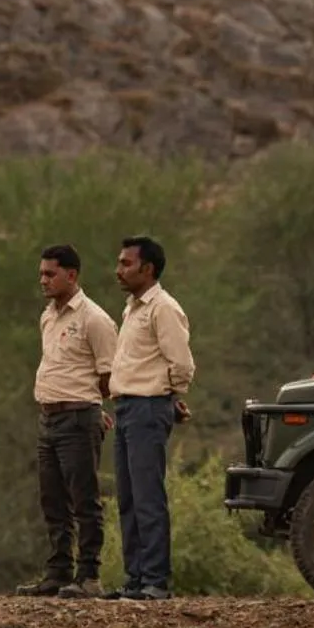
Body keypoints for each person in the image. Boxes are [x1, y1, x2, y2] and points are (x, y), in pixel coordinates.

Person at [16, 243, 119, 600]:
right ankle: (58, 572)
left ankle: (89, 575)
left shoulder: (94, 319)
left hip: (77, 419)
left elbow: (110, 375)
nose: (42, 279)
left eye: (50, 273)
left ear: (71, 275)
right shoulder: (48, 316)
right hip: (49, 418)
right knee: (53, 499)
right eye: (41, 272)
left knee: (84, 500)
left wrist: (92, 408)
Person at [107, 234, 195, 601]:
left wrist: (169, 396)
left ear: (148, 268)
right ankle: (135, 579)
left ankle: (155, 581)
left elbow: (182, 363)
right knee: (127, 496)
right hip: (126, 406)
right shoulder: (132, 307)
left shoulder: (163, 307)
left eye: (126, 263)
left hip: (146, 408)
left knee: (147, 495)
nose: (118, 270)